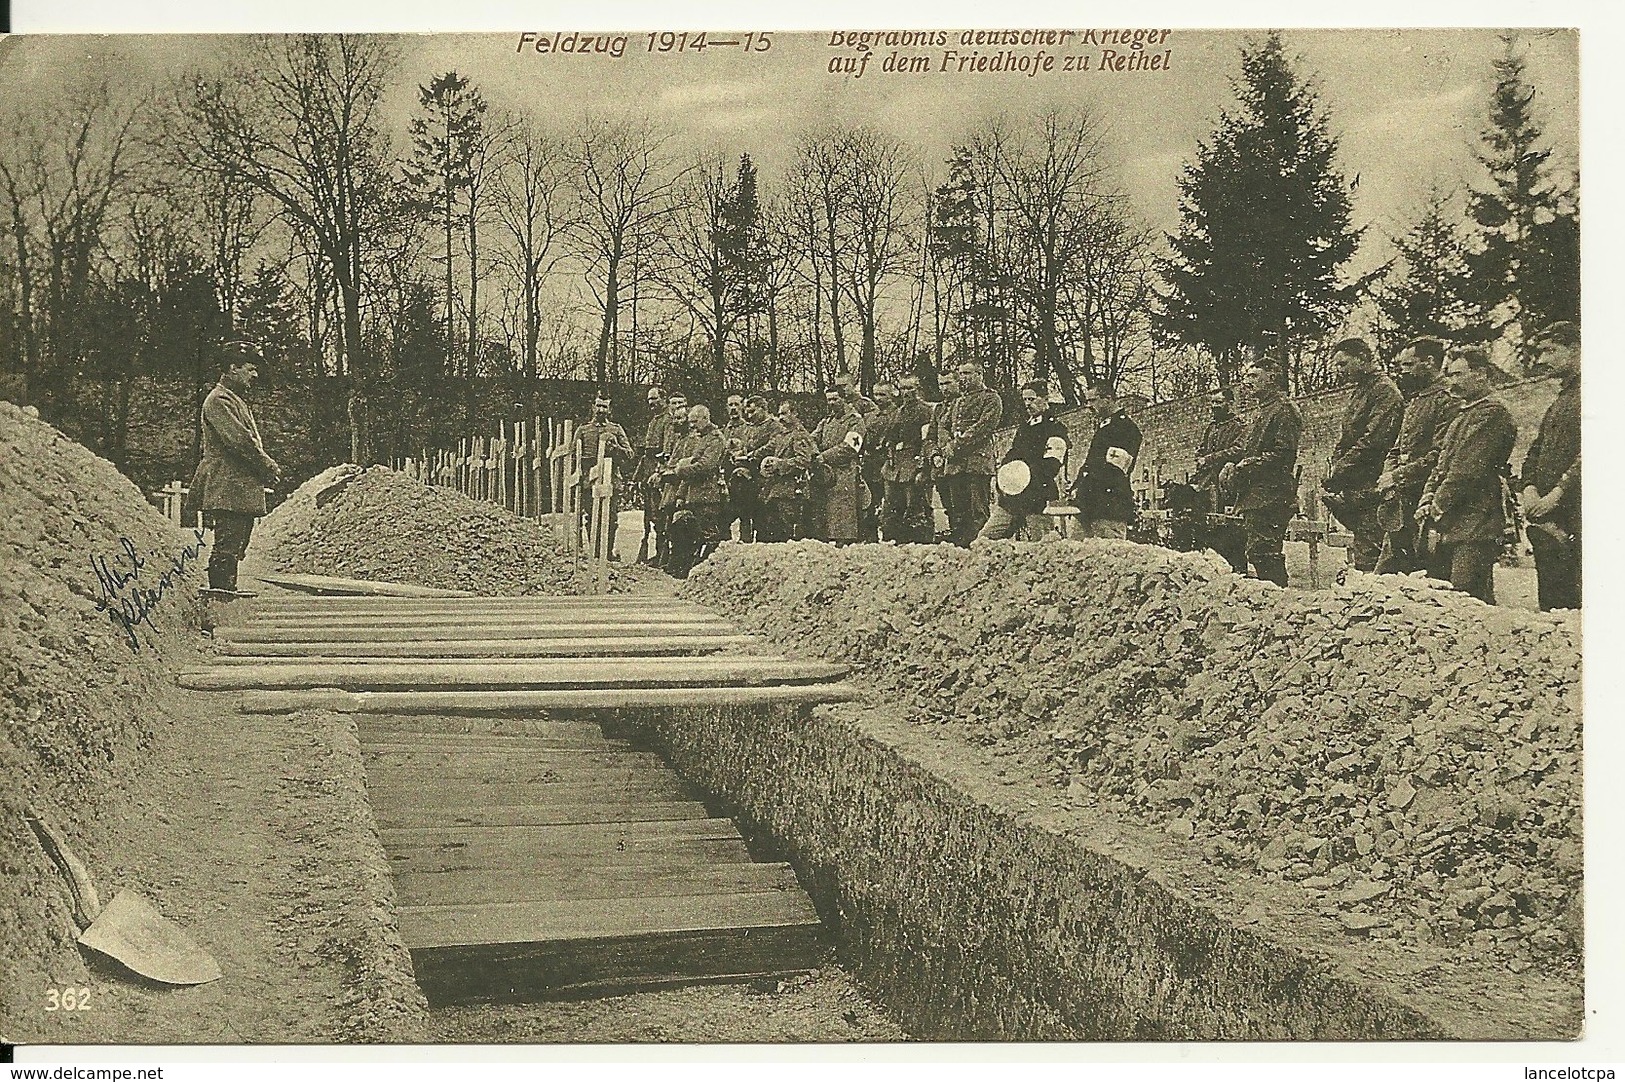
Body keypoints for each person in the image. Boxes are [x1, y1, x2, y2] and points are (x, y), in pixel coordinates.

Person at [1416, 348, 1517, 604]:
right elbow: (1441, 465)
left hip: (1476, 522)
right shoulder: (1462, 415)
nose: (1452, 381)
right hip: (1451, 522)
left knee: (1468, 600)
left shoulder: (1492, 414)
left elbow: (1467, 471)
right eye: (1449, 375)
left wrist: (1436, 506)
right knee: (1448, 600)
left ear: (1481, 374)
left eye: (1459, 375)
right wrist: (1427, 499)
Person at [188, 341, 281, 596]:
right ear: (232, 368)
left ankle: (226, 593)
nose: (255, 375)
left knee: (237, 545)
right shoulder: (218, 401)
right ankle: (220, 599)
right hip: (228, 485)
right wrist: (266, 465)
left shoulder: (234, 400)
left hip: (238, 486)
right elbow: (240, 441)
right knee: (227, 546)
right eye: (250, 369)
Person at [1374, 339, 1460, 576]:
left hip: (1427, 498)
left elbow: (1441, 454)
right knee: (1387, 574)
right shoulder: (1416, 399)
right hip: (1401, 499)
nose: (1404, 371)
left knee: (1430, 574)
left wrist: (1397, 475)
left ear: (1429, 362)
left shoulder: (1447, 399)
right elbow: (1397, 448)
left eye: (1409, 365)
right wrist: (1387, 475)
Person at [1319, 338, 1403, 572]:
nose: (1339, 371)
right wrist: (1335, 463)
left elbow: (1373, 442)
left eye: (1344, 364)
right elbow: (1347, 437)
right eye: (1337, 365)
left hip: (1373, 487)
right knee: (1363, 550)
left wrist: (1340, 469)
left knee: (1372, 553)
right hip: (1356, 485)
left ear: (1364, 359)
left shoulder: (1385, 391)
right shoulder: (1362, 390)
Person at [1224, 359, 1302, 586]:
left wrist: (1244, 466)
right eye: (1247, 376)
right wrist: (1233, 464)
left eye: (1254, 376)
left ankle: (1280, 603)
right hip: (1257, 494)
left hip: (1272, 495)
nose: (1247, 382)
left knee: (1264, 552)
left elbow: (1283, 456)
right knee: (1259, 552)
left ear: (1272, 378)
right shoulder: (1263, 411)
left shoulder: (1283, 410)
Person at [1520, 321, 1581, 610]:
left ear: (1577, 349)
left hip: (1577, 514)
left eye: (1550, 351)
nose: (1542, 360)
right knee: (1553, 604)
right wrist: (1529, 488)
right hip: (1548, 516)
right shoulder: (1561, 398)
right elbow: (1536, 451)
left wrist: (1557, 493)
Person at [979, 380, 1069, 541]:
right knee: (985, 539)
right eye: (1025, 399)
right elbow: (1012, 455)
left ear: (1045, 399)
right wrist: (1003, 477)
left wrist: (1024, 475)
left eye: (1032, 399)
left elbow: (1051, 465)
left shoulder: (1055, 428)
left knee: (1042, 547)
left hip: (1037, 497)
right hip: (1011, 498)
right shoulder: (1024, 427)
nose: (1027, 404)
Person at [1068, 379, 1143, 540]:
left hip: (1109, 508)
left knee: (1109, 556)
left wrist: (1084, 488)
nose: (1088, 405)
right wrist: (1077, 487)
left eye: (1092, 400)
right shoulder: (1105, 427)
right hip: (1087, 506)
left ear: (1107, 398)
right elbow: (1090, 464)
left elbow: (1113, 471)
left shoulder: (1126, 429)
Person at [940, 360, 1003, 545]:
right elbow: (943, 425)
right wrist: (946, 444)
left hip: (977, 463)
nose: (963, 378)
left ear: (979, 374)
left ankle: (978, 548)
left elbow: (983, 427)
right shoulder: (958, 401)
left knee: (978, 512)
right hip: (956, 464)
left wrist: (956, 444)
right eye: (961, 373)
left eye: (967, 373)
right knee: (958, 512)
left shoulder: (991, 398)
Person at [663, 403, 727, 578]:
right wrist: (681, 494)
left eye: (694, 421)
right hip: (694, 494)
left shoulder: (715, 439)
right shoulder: (701, 438)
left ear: (706, 419)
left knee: (708, 534)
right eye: (690, 422)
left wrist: (680, 470)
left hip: (707, 495)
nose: (691, 425)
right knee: (688, 531)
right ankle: (688, 569)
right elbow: (691, 467)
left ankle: (709, 572)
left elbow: (706, 466)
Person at [1190, 386, 1247, 572]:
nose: (1214, 407)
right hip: (1207, 481)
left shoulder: (1238, 426)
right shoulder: (1211, 428)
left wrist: (1210, 458)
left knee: (1228, 529)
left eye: (1219, 402)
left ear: (1230, 404)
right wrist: (1200, 457)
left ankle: (1236, 568)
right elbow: (1201, 449)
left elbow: (1239, 450)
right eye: (1213, 403)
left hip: (1227, 482)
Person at [574, 392, 635, 560]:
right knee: (592, 516)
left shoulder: (616, 429)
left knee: (610, 518)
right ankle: (594, 552)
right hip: (590, 480)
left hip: (611, 478)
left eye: (604, 406)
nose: (601, 409)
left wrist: (615, 447)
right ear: (593, 407)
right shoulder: (583, 430)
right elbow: (574, 455)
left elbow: (630, 454)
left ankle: (607, 553)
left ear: (609, 409)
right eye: (598, 405)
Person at [807, 389, 868, 544]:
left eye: (835, 399)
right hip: (825, 473)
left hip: (845, 473)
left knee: (844, 518)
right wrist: (815, 454)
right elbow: (811, 439)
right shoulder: (826, 421)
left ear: (844, 399)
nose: (832, 403)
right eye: (829, 400)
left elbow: (850, 447)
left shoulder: (855, 421)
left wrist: (824, 456)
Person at [757, 400, 819, 543]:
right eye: (779, 414)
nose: (780, 418)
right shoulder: (783, 434)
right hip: (777, 489)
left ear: (795, 413)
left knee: (784, 533)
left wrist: (781, 464)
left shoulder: (800, 435)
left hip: (791, 490)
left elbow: (804, 460)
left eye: (784, 413)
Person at [882, 374, 933, 544]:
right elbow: (891, 436)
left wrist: (921, 467)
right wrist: (889, 446)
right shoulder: (898, 412)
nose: (906, 392)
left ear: (917, 388)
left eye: (910, 388)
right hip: (895, 466)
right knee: (892, 507)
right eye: (903, 388)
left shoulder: (925, 411)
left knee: (916, 507)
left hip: (913, 463)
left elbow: (927, 440)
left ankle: (920, 543)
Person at [722, 395, 780, 544]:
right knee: (745, 509)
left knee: (763, 514)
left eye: (753, 411)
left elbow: (774, 444)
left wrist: (751, 455)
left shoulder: (773, 425)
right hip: (750, 475)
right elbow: (746, 446)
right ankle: (745, 539)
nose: (749, 415)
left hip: (766, 475)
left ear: (763, 409)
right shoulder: (751, 427)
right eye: (748, 412)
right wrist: (738, 453)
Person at [635, 386, 672, 564]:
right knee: (650, 515)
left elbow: (666, 450)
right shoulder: (654, 421)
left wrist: (658, 472)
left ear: (663, 399)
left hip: (659, 474)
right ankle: (658, 554)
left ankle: (663, 555)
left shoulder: (668, 420)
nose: (651, 402)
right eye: (649, 399)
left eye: (654, 398)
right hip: (648, 472)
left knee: (660, 516)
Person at [654, 392, 690, 567]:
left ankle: (677, 562)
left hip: (681, 485)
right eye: (675, 418)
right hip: (671, 484)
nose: (677, 421)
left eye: (681, 419)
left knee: (679, 525)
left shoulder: (690, 439)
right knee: (668, 523)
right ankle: (667, 559)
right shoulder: (676, 436)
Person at [858, 380, 896, 541]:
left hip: (889, 464)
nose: (878, 398)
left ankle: (889, 537)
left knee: (889, 504)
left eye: (883, 394)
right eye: (876, 395)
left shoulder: (897, 413)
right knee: (869, 503)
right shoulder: (869, 416)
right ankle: (870, 538)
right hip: (870, 465)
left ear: (892, 395)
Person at [927, 371, 961, 542]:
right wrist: (934, 455)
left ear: (957, 382)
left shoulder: (962, 405)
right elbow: (930, 437)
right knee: (949, 508)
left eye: (948, 383)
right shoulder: (939, 408)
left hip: (958, 463)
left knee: (961, 508)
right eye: (941, 384)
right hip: (941, 466)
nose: (944, 388)